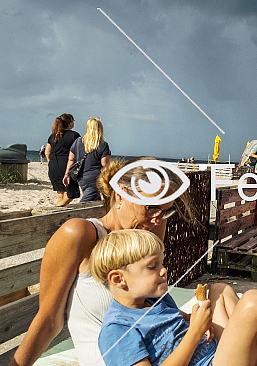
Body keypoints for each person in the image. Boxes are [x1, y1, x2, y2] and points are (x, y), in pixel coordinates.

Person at [9, 158, 193, 366]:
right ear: (120, 194)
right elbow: (49, 321)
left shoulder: (148, 232)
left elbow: (154, 308)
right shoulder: (81, 235)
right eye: (151, 207)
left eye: (165, 210)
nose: (157, 219)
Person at [91, 229, 257, 366]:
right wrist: (194, 333)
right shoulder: (117, 331)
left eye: (162, 263)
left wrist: (193, 319)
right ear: (118, 279)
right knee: (255, 302)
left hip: (214, 353)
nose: (164, 270)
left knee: (219, 291)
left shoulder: (153, 299)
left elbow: (174, 322)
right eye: (152, 267)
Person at [63, 118, 111, 202]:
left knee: (95, 201)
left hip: (81, 177)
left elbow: (71, 160)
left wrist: (67, 174)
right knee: (85, 203)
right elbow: (104, 164)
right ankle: (72, 215)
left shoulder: (78, 142)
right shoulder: (103, 145)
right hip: (95, 178)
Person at [45, 113, 80, 206]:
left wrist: (50, 162)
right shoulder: (74, 135)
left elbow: (47, 152)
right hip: (67, 164)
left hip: (53, 164)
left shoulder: (53, 136)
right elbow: (79, 151)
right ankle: (57, 209)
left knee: (60, 193)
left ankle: (58, 214)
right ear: (70, 123)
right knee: (72, 193)